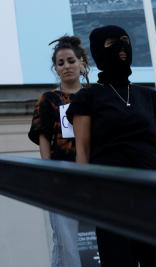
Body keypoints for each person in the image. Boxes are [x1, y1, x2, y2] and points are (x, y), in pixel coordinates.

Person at [66, 25, 156, 267]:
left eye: (125, 40)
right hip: (110, 192)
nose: (121, 47)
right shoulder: (88, 97)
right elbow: (82, 148)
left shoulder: (147, 96)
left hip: (152, 187)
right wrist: (83, 190)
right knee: (118, 257)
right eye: (111, 42)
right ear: (98, 51)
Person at [28, 35, 90, 267]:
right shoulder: (48, 99)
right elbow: (43, 136)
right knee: (65, 239)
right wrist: (48, 170)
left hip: (95, 171)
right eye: (60, 63)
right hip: (62, 174)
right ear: (55, 68)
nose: (66, 66)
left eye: (71, 61)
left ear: (82, 62)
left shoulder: (94, 96)